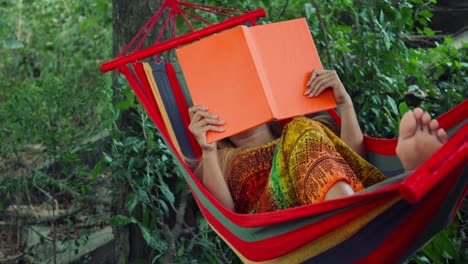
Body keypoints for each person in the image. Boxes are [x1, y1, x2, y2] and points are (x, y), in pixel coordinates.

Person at [188, 69, 448, 213]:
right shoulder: (220, 159)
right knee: (301, 127)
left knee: (302, 127)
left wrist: (344, 104)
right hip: (277, 222)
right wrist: (209, 150)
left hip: (335, 201)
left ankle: (409, 177)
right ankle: (347, 207)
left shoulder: (303, 132)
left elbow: (352, 159)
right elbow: (225, 214)